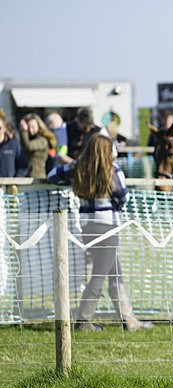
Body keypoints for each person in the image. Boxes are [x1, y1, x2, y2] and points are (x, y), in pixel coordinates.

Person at [47, 134, 152, 332]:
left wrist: (74, 167)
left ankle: (129, 320)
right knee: (99, 274)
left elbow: (52, 175)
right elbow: (124, 197)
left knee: (114, 272)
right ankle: (83, 321)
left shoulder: (79, 168)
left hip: (88, 227)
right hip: (108, 226)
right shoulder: (113, 170)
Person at [18, 113, 58, 179]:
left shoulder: (43, 140)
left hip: (37, 176)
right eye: (28, 127)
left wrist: (23, 131)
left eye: (33, 126)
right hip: (27, 174)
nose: (30, 130)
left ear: (39, 125)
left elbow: (29, 146)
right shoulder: (29, 139)